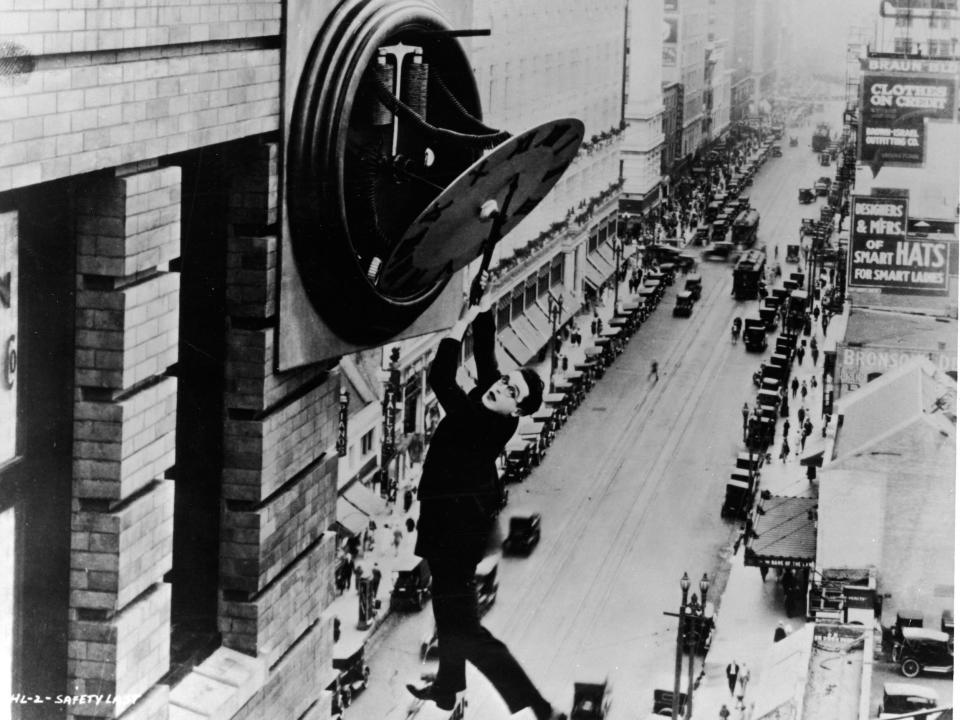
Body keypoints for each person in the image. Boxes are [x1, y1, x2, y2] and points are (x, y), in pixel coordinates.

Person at [406, 272, 563, 720]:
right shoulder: (498, 405)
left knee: (466, 630)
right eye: (507, 382)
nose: (501, 386)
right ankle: (449, 685)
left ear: (518, 410)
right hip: (453, 519)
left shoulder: (479, 419)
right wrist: (485, 304)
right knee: (448, 610)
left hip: (455, 529)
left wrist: (458, 321)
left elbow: (440, 377)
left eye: (512, 390)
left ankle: (539, 707)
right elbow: (490, 361)